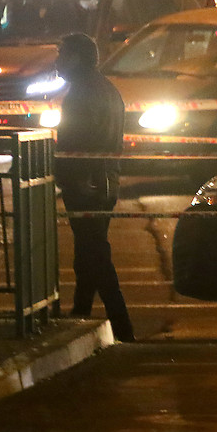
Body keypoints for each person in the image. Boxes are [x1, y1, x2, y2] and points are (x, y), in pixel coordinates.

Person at [53, 32, 134, 342]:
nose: (57, 62)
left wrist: (59, 174)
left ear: (75, 58)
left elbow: (74, 145)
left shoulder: (82, 94)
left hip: (87, 185)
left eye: (62, 55)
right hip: (104, 182)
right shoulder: (105, 89)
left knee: (96, 255)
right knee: (87, 252)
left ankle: (123, 327)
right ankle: (81, 314)